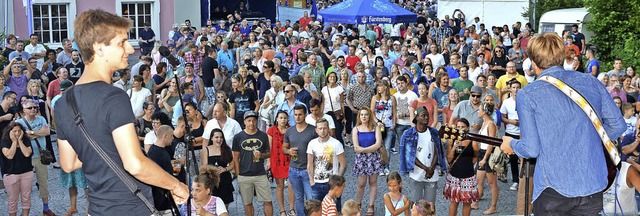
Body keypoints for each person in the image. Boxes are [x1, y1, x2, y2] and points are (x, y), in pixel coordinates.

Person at [53, 9, 188, 215]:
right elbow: (134, 164)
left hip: (98, 209)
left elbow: (69, 163)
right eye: (121, 42)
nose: (130, 49)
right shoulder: (114, 97)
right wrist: (176, 185)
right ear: (99, 48)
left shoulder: (63, 103)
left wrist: (110, 152)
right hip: (130, 208)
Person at [500, 33, 627, 215]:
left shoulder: (527, 94)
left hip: (554, 188)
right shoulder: (591, 82)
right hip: (592, 184)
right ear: (561, 56)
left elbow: (531, 148)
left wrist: (511, 144)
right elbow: (617, 125)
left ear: (533, 62)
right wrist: (586, 139)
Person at [15, 99, 55, 215]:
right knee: (25, 186)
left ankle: (46, 208)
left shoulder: (41, 119)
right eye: (30, 108)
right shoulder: (19, 122)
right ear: (24, 110)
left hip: (40, 156)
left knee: (43, 182)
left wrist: (31, 133)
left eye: (34, 107)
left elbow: (47, 132)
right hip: (26, 157)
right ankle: (25, 209)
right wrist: (38, 132)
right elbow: (22, 136)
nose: (33, 109)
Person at [232, 111, 273, 216]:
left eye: (254, 120)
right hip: (244, 174)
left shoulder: (263, 136)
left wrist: (261, 155)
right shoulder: (238, 137)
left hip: (260, 173)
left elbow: (268, 154)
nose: (251, 123)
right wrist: (238, 174)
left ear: (257, 121)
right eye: (249, 120)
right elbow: (235, 157)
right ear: (244, 122)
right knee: (247, 203)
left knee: (268, 200)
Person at [283, 105, 317, 216]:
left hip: (308, 170)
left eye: (300, 114)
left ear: (305, 115)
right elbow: (284, 148)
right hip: (293, 169)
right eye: (295, 115)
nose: (297, 117)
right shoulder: (289, 131)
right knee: (298, 197)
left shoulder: (313, 130)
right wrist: (288, 152)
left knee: (311, 198)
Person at [443, 118, 479, 216]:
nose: (460, 129)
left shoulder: (473, 141)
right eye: (458, 127)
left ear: (467, 128)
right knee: (454, 202)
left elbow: (475, 157)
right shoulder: (452, 139)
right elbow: (449, 158)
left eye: (463, 127)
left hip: (468, 176)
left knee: (467, 203)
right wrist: (454, 147)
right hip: (454, 175)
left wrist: (467, 165)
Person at [352, 107, 383, 216]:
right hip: (361, 160)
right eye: (362, 115)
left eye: (366, 114)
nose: (364, 117)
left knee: (373, 182)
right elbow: (356, 147)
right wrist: (367, 150)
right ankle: (358, 204)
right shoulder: (356, 129)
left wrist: (363, 150)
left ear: (369, 116)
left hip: (373, 159)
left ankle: (371, 205)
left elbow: (378, 144)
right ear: (359, 116)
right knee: (361, 184)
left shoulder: (375, 128)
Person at [307, 118, 346, 201]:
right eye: (320, 128)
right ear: (316, 130)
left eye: (325, 128)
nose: (322, 131)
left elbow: (343, 164)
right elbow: (310, 163)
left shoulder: (336, 144)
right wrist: (311, 181)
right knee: (317, 209)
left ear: (328, 129)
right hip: (317, 183)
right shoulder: (312, 144)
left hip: (332, 183)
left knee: (334, 210)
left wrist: (337, 180)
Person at [1, 122, 34, 216]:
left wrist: (19, 140)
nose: (17, 133)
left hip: (26, 172)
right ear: (9, 132)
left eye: (19, 131)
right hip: (10, 174)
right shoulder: (4, 141)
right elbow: (9, 155)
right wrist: (14, 142)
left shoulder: (26, 140)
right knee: (13, 200)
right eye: (14, 131)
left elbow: (27, 153)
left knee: (26, 197)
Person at [267, 111, 295, 216]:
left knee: (291, 185)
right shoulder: (271, 130)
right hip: (276, 161)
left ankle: (292, 209)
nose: (283, 120)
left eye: (285, 118)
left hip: (289, 160)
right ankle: (282, 210)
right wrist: (268, 161)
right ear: (277, 119)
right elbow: (269, 147)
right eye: (281, 118)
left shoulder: (291, 129)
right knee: (280, 186)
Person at [201, 128, 235, 209]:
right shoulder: (206, 149)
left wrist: (225, 169)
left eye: (221, 137)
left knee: (224, 207)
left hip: (225, 181)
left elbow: (232, 163)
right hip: (212, 181)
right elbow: (204, 166)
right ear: (212, 138)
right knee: (212, 207)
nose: (219, 139)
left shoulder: (227, 149)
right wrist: (213, 170)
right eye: (216, 137)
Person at [500, 80, 523, 191]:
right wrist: (510, 121)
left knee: (524, 157)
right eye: (513, 87)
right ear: (510, 89)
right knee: (512, 158)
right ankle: (515, 180)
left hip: (523, 132)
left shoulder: (525, 101)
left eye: (518, 87)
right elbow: (502, 116)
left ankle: (524, 179)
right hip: (511, 131)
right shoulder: (506, 102)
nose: (516, 89)